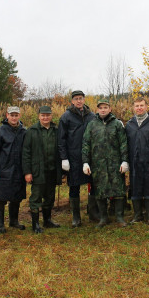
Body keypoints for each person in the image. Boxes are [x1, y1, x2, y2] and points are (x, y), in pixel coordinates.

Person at [82, 99, 129, 228]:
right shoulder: (91, 125)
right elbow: (86, 144)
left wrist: (125, 161)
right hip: (98, 165)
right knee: (100, 191)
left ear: (110, 109)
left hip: (115, 164)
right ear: (97, 109)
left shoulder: (117, 124)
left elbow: (123, 143)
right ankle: (103, 218)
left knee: (118, 190)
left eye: (105, 107)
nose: (103, 109)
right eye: (100, 107)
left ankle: (119, 217)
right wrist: (85, 162)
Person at [58, 90, 97, 227]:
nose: (79, 101)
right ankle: (76, 217)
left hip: (90, 157)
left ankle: (92, 212)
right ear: (72, 101)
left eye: (81, 98)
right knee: (74, 186)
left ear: (84, 100)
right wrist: (64, 158)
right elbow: (61, 139)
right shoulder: (66, 117)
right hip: (73, 158)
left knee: (93, 184)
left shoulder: (92, 116)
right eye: (76, 99)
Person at [125, 97, 149, 225]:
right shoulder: (130, 124)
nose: (139, 108)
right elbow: (125, 145)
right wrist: (125, 161)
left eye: (141, 105)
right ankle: (137, 215)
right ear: (133, 108)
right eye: (137, 106)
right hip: (134, 162)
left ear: (146, 107)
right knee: (135, 187)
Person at [22, 106, 62, 234]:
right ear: (39, 116)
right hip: (38, 170)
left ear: (51, 116)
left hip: (52, 170)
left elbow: (61, 149)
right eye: (43, 115)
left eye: (48, 115)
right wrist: (27, 172)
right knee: (36, 198)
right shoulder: (31, 131)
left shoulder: (56, 130)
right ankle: (35, 224)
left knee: (50, 197)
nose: (45, 118)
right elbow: (26, 153)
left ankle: (47, 220)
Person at [0, 106, 27, 233]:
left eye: (16, 115)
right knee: (1, 197)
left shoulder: (24, 131)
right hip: (4, 170)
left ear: (19, 116)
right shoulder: (0, 132)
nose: (14, 117)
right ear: (7, 115)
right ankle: (0, 224)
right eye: (12, 115)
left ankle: (14, 221)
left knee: (16, 196)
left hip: (19, 169)